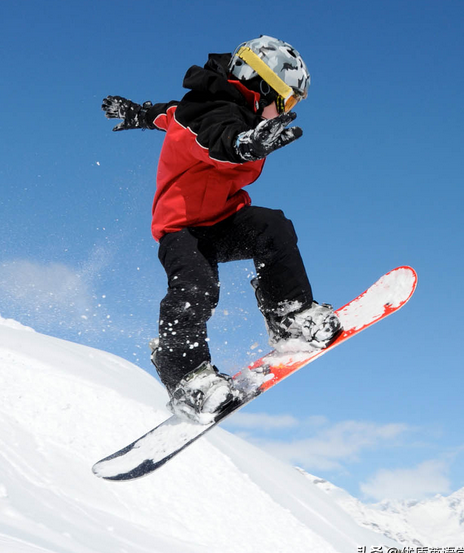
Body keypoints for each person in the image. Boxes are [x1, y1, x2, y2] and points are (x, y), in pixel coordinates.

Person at [102, 35, 342, 424]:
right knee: (196, 287)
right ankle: (186, 375)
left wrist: (138, 114)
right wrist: (243, 145)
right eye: (288, 99)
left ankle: (289, 316)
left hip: (222, 220)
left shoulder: (216, 112)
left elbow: (165, 114)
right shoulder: (208, 111)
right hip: (182, 229)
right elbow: (215, 136)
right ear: (263, 86)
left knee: (272, 227)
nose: (287, 109)